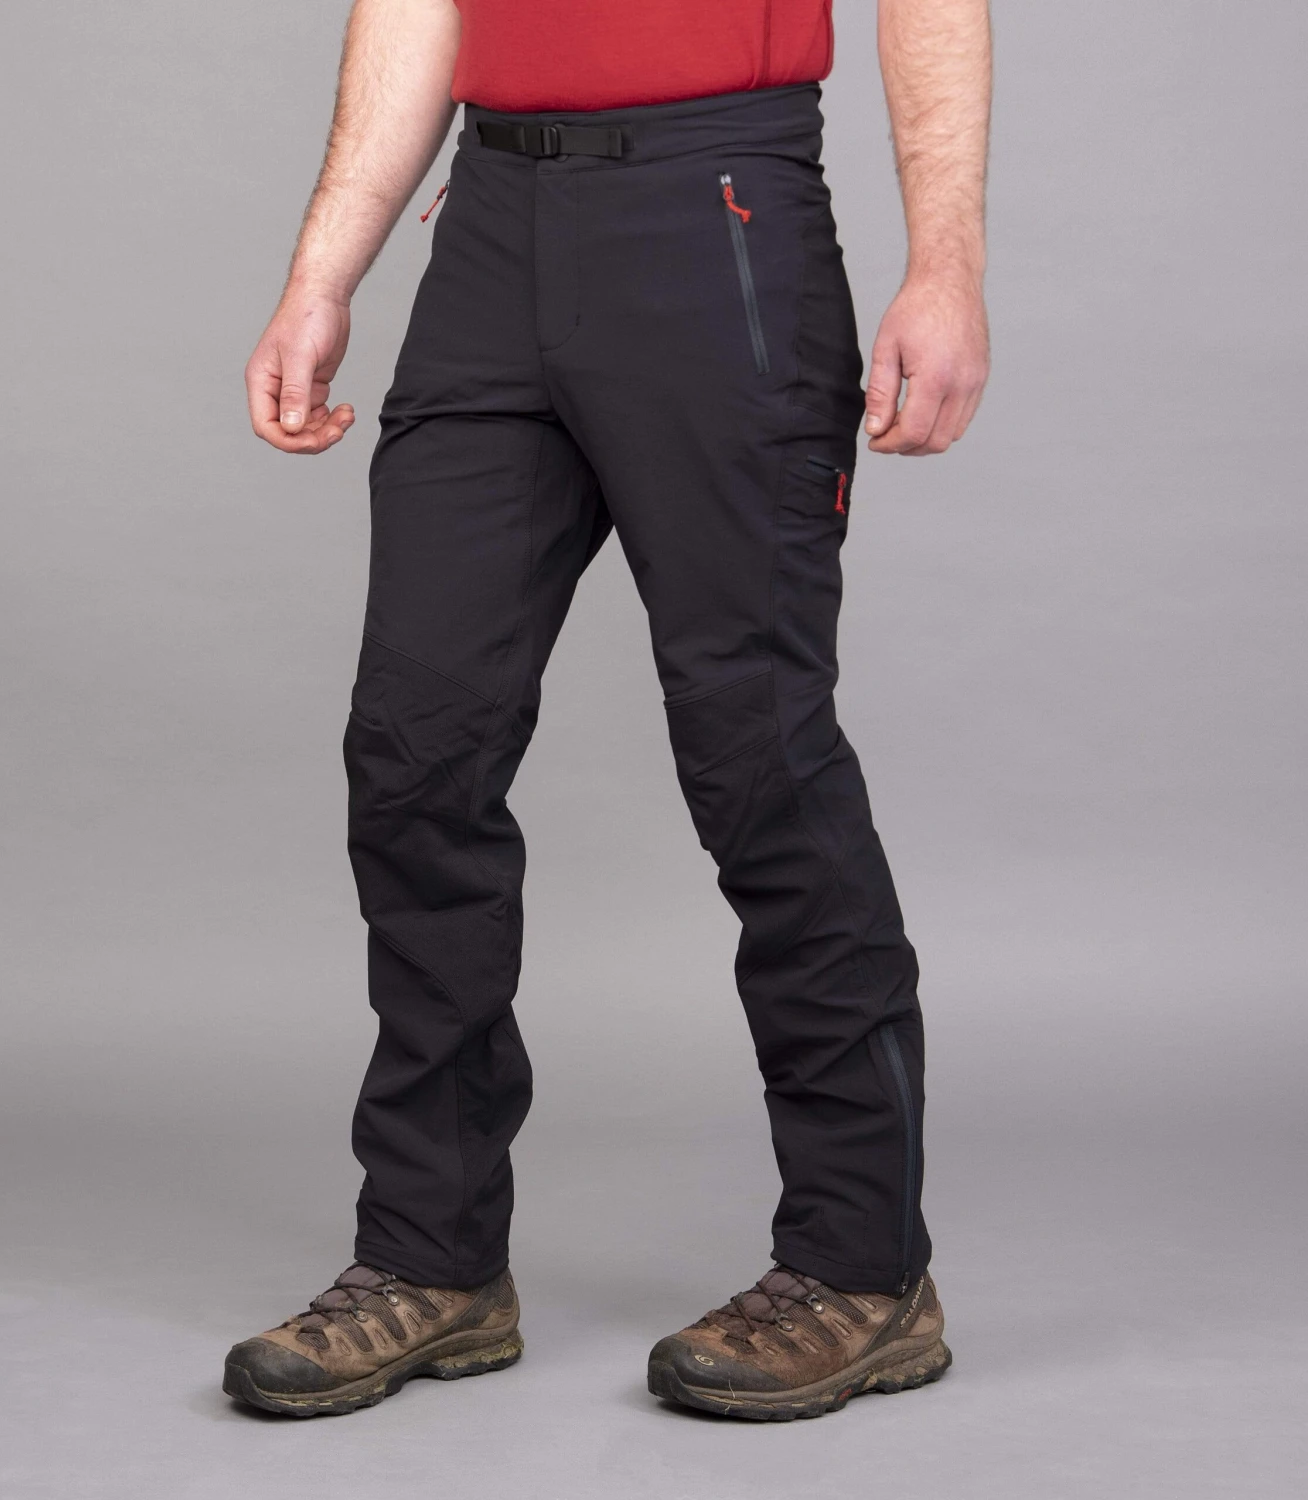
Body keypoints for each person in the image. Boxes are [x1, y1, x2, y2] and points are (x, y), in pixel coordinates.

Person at [224, 0, 990, 1421]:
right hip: (492, 228)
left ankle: (863, 1268)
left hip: (718, 213)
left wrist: (945, 264)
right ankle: (433, 1257)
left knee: (758, 751)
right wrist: (322, 273)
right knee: (415, 746)